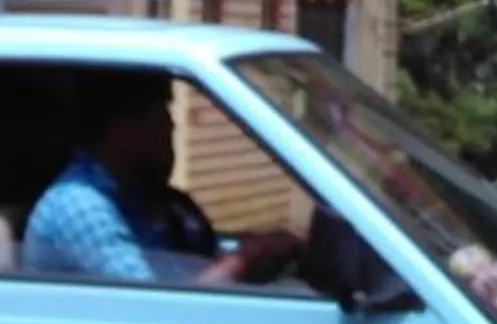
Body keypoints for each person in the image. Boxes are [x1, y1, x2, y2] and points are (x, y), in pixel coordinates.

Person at [18, 73, 303, 287]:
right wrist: (243, 260)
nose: (170, 128)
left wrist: (259, 255)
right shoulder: (80, 205)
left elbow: (197, 263)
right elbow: (157, 311)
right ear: (122, 130)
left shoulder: (147, 199)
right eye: (159, 119)